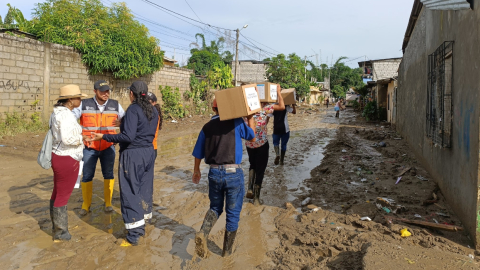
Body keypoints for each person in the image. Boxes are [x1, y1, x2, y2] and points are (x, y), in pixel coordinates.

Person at [89, 81, 159, 246]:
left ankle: (134, 233)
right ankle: (143, 221)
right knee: (144, 188)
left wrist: (104, 137)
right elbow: (143, 129)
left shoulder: (134, 109)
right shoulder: (154, 110)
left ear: (132, 94)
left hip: (133, 154)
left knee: (130, 190)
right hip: (148, 152)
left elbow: (127, 137)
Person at [192, 99, 256, 258]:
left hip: (214, 173)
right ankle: (226, 254)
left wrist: (196, 171)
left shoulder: (206, 127)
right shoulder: (236, 122)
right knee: (233, 213)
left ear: (213, 109)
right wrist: (251, 117)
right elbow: (252, 137)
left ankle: (203, 233)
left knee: (215, 207)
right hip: (233, 174)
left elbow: (198, 152)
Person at [73, 80, 125, 216]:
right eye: (102, 91)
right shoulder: (84, 104)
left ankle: (108, 203)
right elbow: (71, 120)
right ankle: (86, 204)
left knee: (108, 174)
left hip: (108, 147)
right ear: (95, 91)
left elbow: (127, 120)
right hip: (89, 147)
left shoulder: (115, 105)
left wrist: (121, 126)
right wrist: (80, 136)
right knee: (87, 175)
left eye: (107, 91)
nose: (106, 94)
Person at [50, 85, 89, 241]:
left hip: (59, 156)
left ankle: (56, 228)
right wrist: (83, 138)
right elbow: (67, 139)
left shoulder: (58, 113)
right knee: (63, 196)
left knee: (57, 193)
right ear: (70, 100)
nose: (80, 100)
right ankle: (61, 233)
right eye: (78, 97)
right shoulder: (65, 115)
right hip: (68, 157)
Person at [245, 86, 285, 206]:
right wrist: (278, 92)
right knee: (260, 170)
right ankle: (256, 199)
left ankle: (250, 188)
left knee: (252, 164)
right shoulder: (265, 108)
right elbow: (282, 106)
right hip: (262, 144)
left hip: (249, 144)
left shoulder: (247, 108)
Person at [146, 92, 163, 159]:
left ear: (154, 103)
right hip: (151, 148)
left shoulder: (153, 116)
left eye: (148, 102)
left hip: (150, 148)